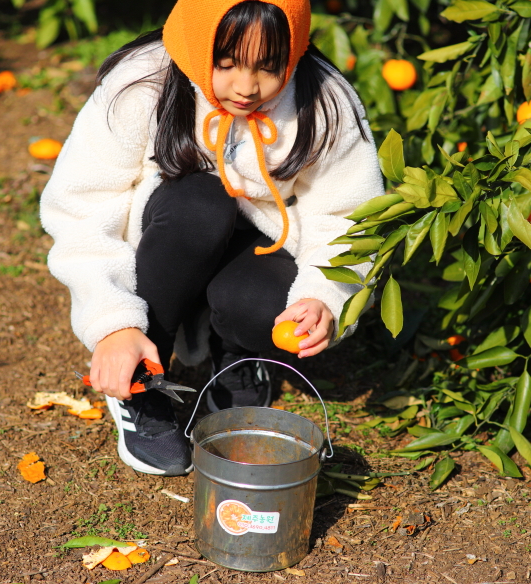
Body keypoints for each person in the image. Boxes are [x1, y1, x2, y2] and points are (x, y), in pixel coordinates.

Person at [40, 0, 383, 477]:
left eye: (269, 67)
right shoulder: (141, 84)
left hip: (256, 251)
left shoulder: (322, 100)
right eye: (226, 64)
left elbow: (348, 215)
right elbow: (82, 209)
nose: (246, 87)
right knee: (201, 206)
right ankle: (142, 378)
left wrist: (327, 295)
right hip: (168, 242)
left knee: (265, 303)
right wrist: (112, 323)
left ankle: (239, 359)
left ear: (295, 51)